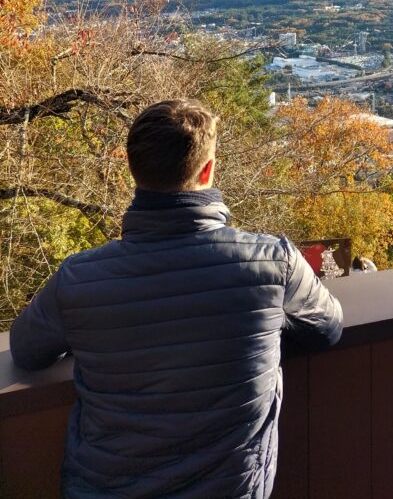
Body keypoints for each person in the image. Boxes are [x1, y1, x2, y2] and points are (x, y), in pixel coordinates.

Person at [10, 98, 342, 499]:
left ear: (132, 169)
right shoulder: (273, 263)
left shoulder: (79, 278)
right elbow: (328, 328)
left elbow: (27, 351)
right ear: (208, 169)